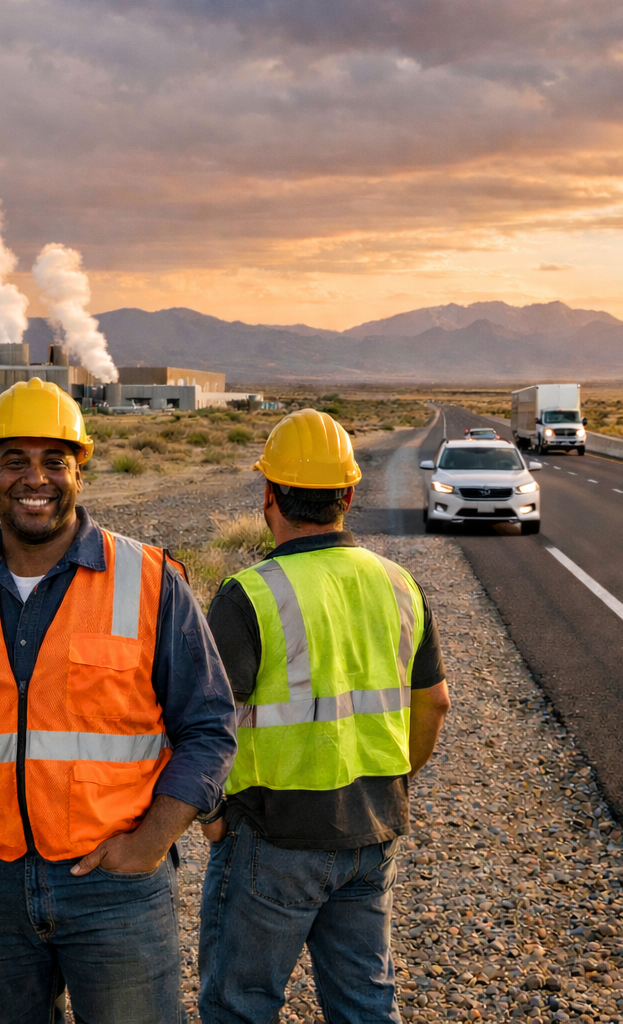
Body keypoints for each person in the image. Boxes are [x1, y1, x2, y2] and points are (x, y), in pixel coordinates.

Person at [0, 378, 237, 1024]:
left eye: (55, 460)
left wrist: (151, 843)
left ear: (81, 469)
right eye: (15, 460)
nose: (35, 478)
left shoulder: (148, 581)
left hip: (115, 887)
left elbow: (210, 727)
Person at [197, 409, 451, 1024]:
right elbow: (435, 702)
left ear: (268, 496)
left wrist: (209, 816)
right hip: (374, 833)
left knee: (241, 1005)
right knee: (365, 1003)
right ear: (349, 494)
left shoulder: (249, 593)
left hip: (272, 838)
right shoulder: (399, 584)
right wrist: (395, 779)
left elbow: (204, 725)